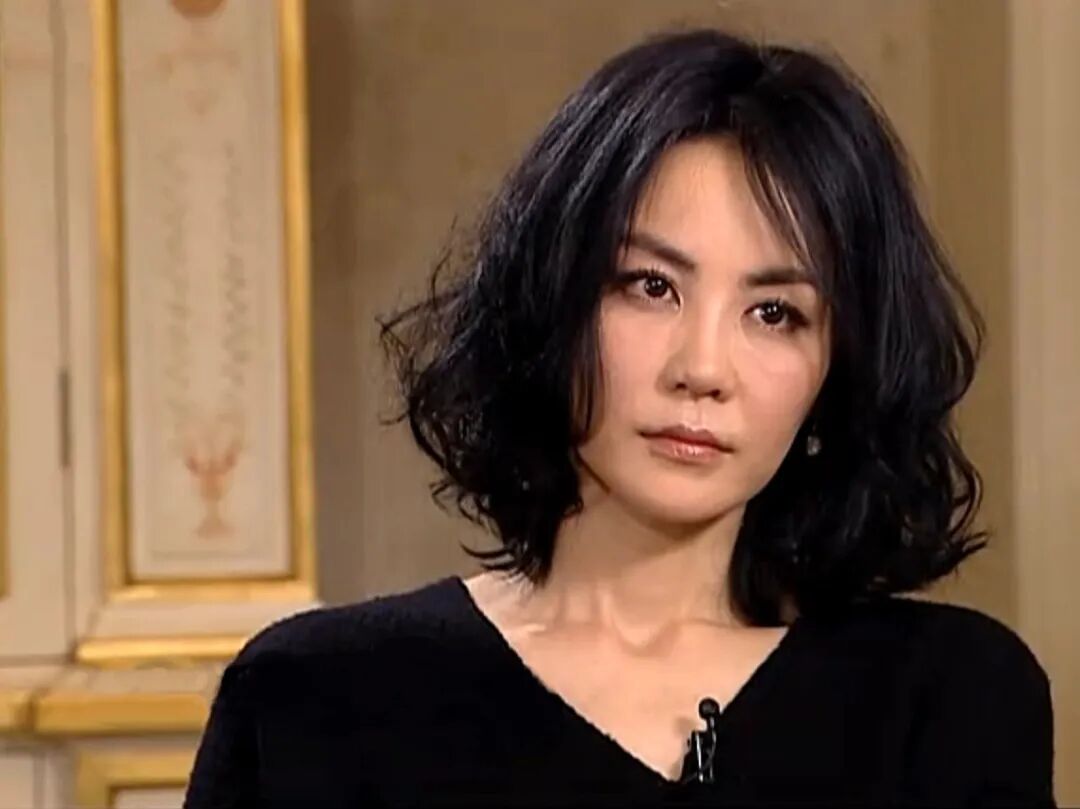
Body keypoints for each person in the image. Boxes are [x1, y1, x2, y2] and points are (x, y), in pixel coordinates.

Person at [184, 27, 1055, 808]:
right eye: (651, 286)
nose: (701, 369)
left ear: (839, 368)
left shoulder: (948, 702)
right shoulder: (316, 699)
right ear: (554, 302)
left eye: (774, 313)